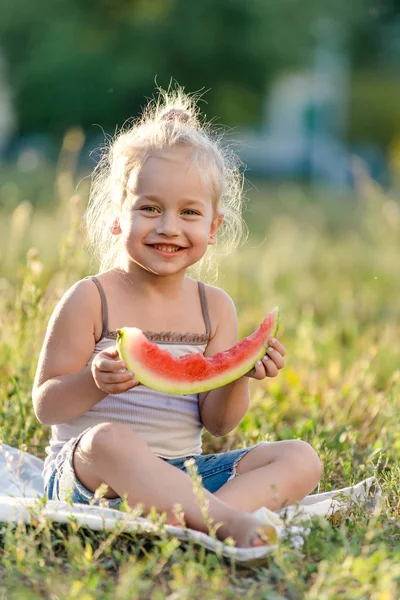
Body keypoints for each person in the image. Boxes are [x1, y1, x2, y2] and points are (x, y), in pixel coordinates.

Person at [33, 89, 321, 548]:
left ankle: (195, 517)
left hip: (184, 473)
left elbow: (219, 424)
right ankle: (224, 520)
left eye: (189, 212)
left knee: (301, 457)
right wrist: (93, 380)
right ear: (115, 217)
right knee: (106, 440)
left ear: (212, 228)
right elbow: (47, 406)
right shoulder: (90, 298)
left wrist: (238, 374)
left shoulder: (215, 308)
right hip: (90, 478)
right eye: (149, 208)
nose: (169, 226)